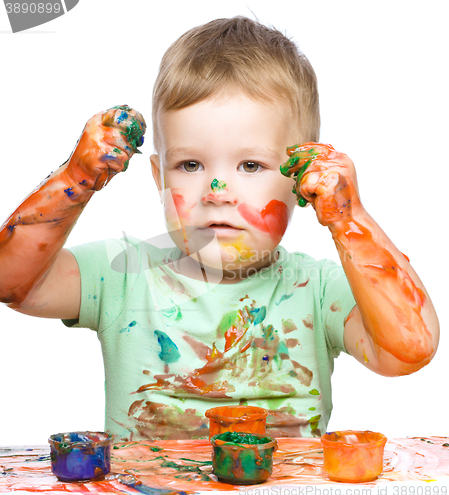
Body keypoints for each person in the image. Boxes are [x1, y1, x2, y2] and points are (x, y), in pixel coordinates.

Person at [0, 17, 439, 442]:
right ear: (159, 177)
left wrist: (349, 216)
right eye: (190, 164)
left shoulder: (319, 290)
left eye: (250, 165)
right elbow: (11, 281)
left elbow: (408, 351)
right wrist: (75, 179)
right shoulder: (120, 274)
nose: (217, 191)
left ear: (301, 179)